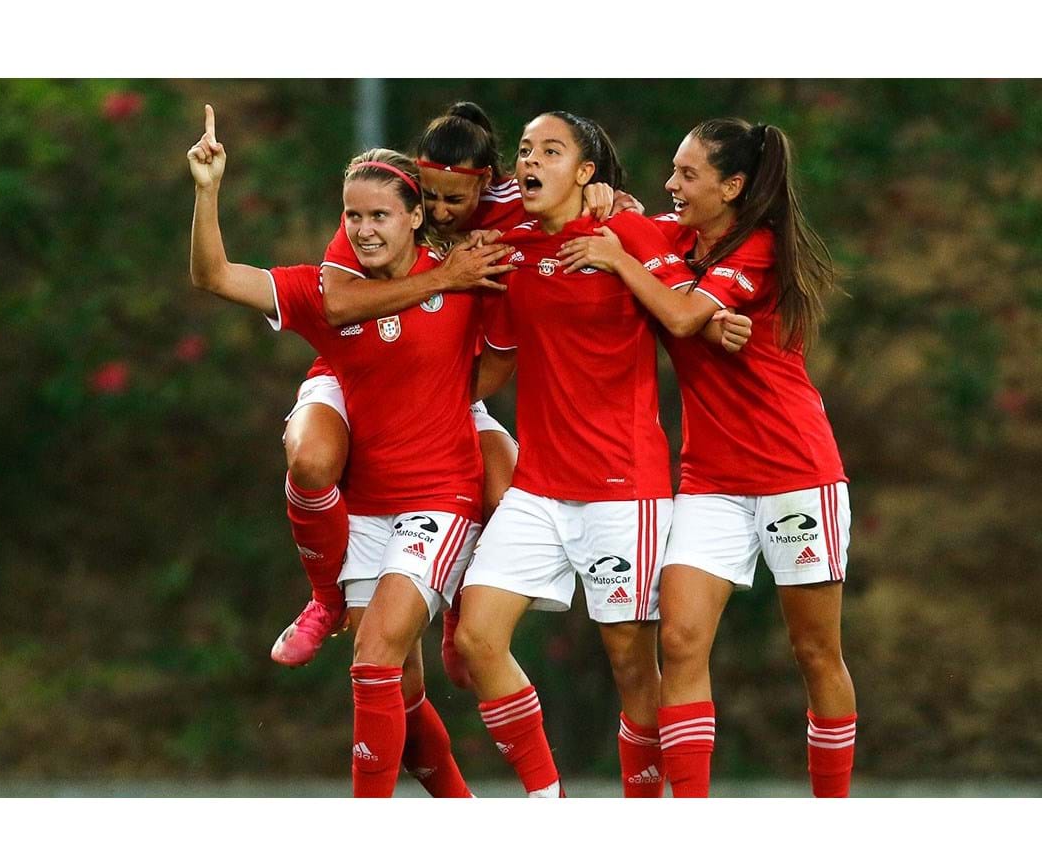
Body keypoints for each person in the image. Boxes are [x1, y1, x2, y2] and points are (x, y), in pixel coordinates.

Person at [271, 102, 627, 688]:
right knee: (310, 459)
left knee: (506, 486)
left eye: (451, 200)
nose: (437, 210)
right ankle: (322, 599)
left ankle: (461, 603)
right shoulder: (378, 206)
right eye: (427, 196)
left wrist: (606, 200)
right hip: (352, 369)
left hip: (442, 384)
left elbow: (584, 206)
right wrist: (443, 278)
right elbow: (335, 303)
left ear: (486, 184)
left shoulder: (514, 207)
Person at [187, 105, 483, 797]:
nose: (363, 229)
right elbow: (214, 276)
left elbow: (539, 243)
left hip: (440, 500)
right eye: (353, 217)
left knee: (375, 655)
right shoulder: (329, 292)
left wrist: (604, 197)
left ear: (416, 217)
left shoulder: (465, 269)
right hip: (370, 504)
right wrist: (206, 190)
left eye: (380, 216)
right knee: (393, 688)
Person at [555, 117, 855, 797]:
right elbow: (617, 231)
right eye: (672, 170)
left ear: (734, 186)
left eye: (688, 175)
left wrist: (626, 263)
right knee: (682, 642)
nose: (672, 184)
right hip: (710, 481)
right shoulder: (677, 237)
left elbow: (684, 315)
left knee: (816, 653)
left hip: (795, 475)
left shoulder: (761, 249)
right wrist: (607, 203)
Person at [454, 111, 748, 798]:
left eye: (551, 152)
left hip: (623, 489)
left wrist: (718, 319)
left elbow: (687, 294)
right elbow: (448, 207)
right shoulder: (511, 241)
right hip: (537, 486)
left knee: (632, 670)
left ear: (587, 173)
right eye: (525, 150)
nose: (530, 162)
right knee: (476, 640)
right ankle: (546, 800)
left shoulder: (629, 232)